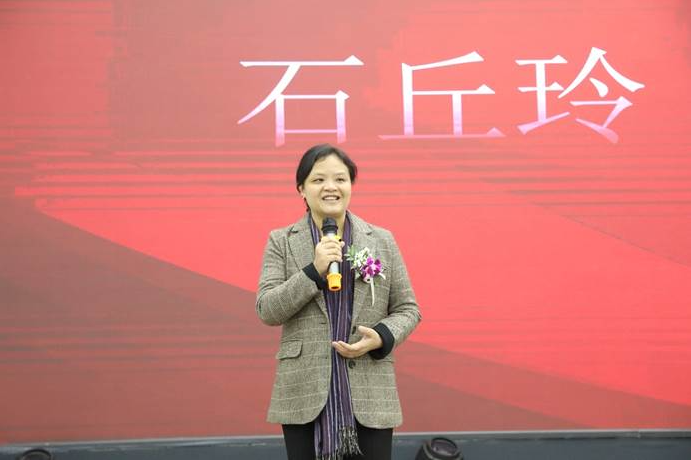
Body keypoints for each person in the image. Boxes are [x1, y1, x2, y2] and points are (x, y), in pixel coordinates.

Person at [256, 143, 421, 460]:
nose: (330, 187)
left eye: (340, 179)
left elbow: (408, 309)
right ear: (301, 189)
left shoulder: (381, 240)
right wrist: (313, 271)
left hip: (370, 391)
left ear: (351, 186)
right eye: (318, 180)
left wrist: (380, 337)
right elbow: (267, 309)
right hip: (304, 390)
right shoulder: (282, 241)